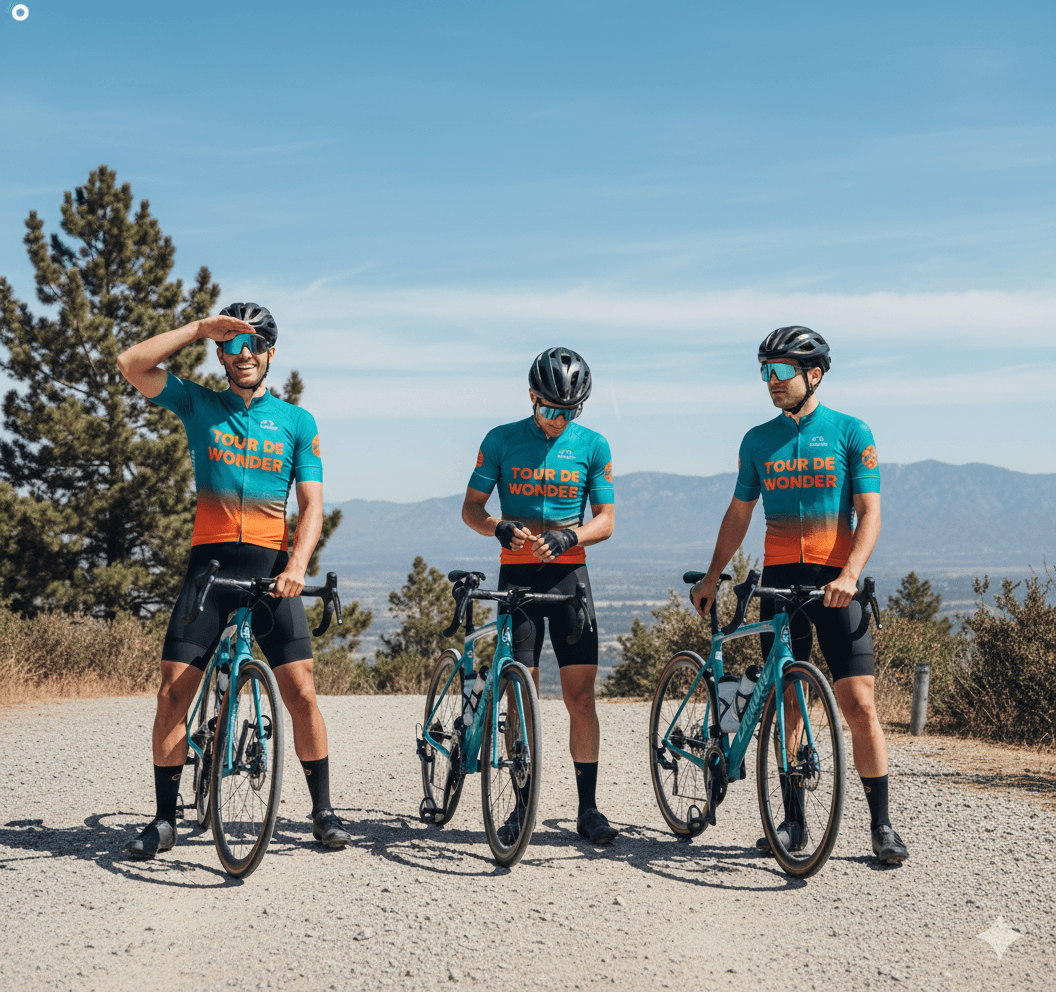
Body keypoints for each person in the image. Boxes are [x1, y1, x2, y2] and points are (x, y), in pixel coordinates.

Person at [116, 302, 351, 859]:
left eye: (255, 344)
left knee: (302, 691)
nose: (244, 354)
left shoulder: (297, 422)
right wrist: (200, 328)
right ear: (220, 353)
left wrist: (297, 567)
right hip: (210, 568)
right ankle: (165, 820)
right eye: (232, 345)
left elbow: (311, 507)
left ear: (271, 353)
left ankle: (322, 811)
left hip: (271, 571)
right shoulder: (199, 403)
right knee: (173, 693)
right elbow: (131, 364)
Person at [690, 326, 909, 864]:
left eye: (781, 371)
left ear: (814, 375)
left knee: (859, 704)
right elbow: (739, 513)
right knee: (789, 701)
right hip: (780, 583)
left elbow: (871, 514)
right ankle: (792, 822)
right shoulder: (757, 441)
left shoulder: (851, 432)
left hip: (837, 582)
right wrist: (713, 575)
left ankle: (882, 827)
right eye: (765, 371)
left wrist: (850, 574)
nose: (771, 380)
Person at [461, 347, 618, 845]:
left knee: (581, 697)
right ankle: (520, 805)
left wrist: (573, 535)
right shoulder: (501, 440)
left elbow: (606, 521)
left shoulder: (593, 445)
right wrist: (497, 527)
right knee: (519, 694)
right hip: (519, 581)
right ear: (531, 396)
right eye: (550, 408)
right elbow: (471, 509)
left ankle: (588, 809)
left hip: (571, 581)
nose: (558, 419)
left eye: (569, 412)